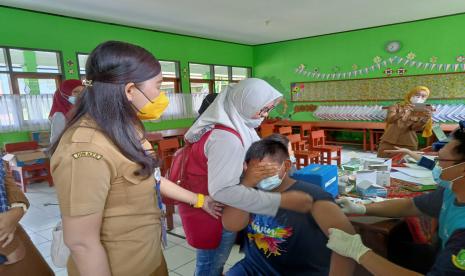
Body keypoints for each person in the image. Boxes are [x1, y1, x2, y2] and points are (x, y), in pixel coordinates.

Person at [49, 41, 222, 276]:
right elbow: (81, 243)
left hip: (148, 257)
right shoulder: (85, 149)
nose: (161, 95)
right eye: (159, 86)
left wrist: (200, 200)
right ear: (130, 90)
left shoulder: (127, 127)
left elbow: (152, 177)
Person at [180, 78, 314, 276]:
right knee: (210, 266)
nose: (266, 115)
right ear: (246, 104)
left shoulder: (239, 125)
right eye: (262, 110)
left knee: (211, 263)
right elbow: (222, 191)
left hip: (220, 209)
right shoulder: (227, 138)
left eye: (267, 109)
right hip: (215, 213)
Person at [330, 126, 465, 275]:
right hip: (440, 253)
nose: (435, 166)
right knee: (396, 241)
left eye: (440, 160)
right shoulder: (450, 192)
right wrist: (361, 208)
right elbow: (410, 206)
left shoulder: (462, 235)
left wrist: (360, 253)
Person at [223, 138, 356, 275]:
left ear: (286, 166)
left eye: (266, 170)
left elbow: (347, 245)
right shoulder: (250, 192)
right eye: (253, 170)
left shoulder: (313, 197)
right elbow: (231, 225)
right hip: (254, 268)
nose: (260, 177)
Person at [0, 160, 54, 275]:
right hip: (6, 243)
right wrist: (9, 248)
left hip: (10, 229)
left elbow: (5, 177)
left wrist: (16, 211)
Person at [378, 86, 433, 158]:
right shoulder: (396, 106)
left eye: (423, 97)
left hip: (408, 143)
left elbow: (415, 128)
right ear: (411, 94)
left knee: (405, 164)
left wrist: (426, 119)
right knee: (383, 161)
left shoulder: (420, 110)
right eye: (417, 95)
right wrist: (403, 112)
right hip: (389, 141)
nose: (419, 98)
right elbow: (389, 120)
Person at [48, 79, 84, 143]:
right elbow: (55, 141)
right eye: (75, 92)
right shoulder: (59, 115)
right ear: (64, 94)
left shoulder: (80, 110)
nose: (80, 95)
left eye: (82, 92)